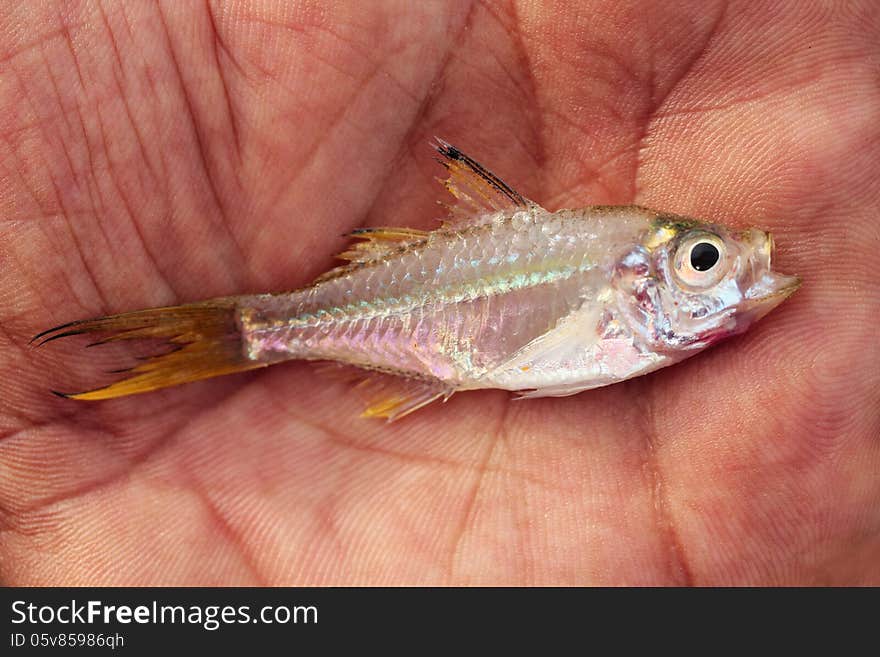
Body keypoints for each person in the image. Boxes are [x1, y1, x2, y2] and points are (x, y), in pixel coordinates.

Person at [0, 1, 877, 585]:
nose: (730, 272)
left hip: (431, 339)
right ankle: (239, 335)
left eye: (708, 260)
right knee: (276, 329)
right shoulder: (614, 268)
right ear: (637, 274)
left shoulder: (622, 276)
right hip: (340, 329)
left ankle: (241, 335)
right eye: (704, 261)